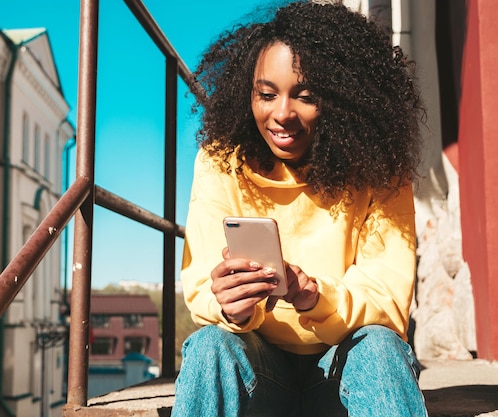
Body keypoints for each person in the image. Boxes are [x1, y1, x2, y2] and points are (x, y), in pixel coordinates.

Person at [173, 1, 427, 416]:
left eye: (305, 96)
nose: (282, 114)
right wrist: (230, 307)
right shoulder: (220, 161)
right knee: (209, 345)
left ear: (345, 99)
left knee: (380, 347)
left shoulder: (382, 169)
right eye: (267, 95)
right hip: (260, 369)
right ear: (247, 94)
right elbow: (203, 282)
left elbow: (388, 302)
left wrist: (314, 297)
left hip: (344, 368)